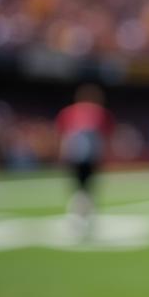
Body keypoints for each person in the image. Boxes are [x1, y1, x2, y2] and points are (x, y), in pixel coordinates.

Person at [56, 84, 113, 238]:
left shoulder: (68, 112)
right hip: (87, 158)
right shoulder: (99, 113)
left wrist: (63, 155)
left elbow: (64, 137)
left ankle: (78, 217)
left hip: (77, 157)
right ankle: (82, 217)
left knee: (80, 189)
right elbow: (104, 138)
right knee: (86, 189)